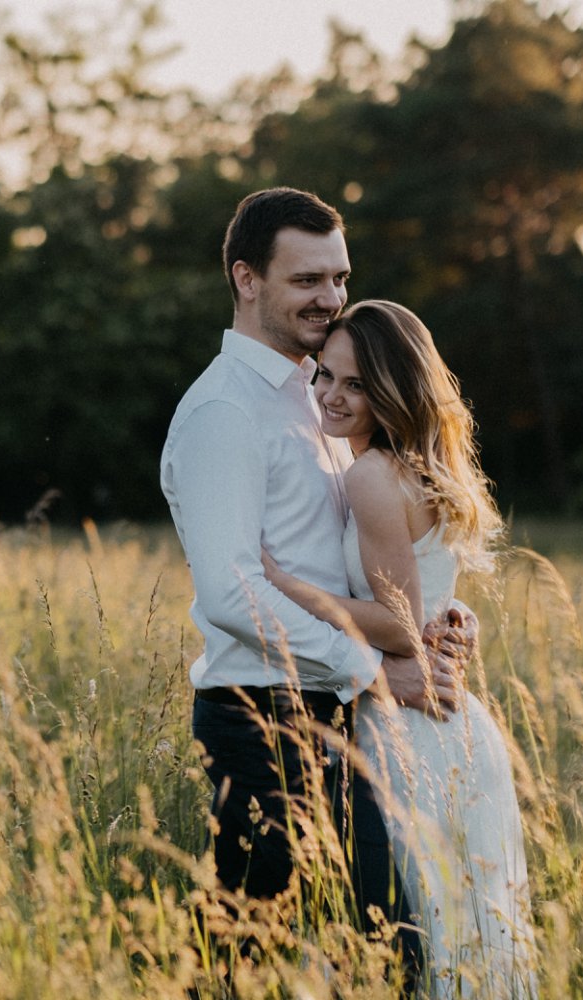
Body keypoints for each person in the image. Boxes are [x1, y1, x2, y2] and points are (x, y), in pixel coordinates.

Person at [160, 187, 468, 987]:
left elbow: (363, 559)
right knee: (256, 958)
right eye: (307, 281)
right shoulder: (223, 414)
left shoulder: (322, 396)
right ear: (246, 279)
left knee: (357, 950)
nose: (331, 299)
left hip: (338, 716)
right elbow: (232, 595)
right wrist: (373, 670)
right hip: (264, 723)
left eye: (339, 277)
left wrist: (436, 618)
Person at [263, 299, 537, 997]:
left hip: (408, 732)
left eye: (355, 385)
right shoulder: (418, 467)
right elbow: (435, 600)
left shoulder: (370, 475)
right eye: (324, 376)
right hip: (458, 730)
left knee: (406, 938)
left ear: (392, 392)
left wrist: (280, 582)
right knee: (464, 937)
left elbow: (400, 623)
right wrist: (458, 619)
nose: (331, 395)